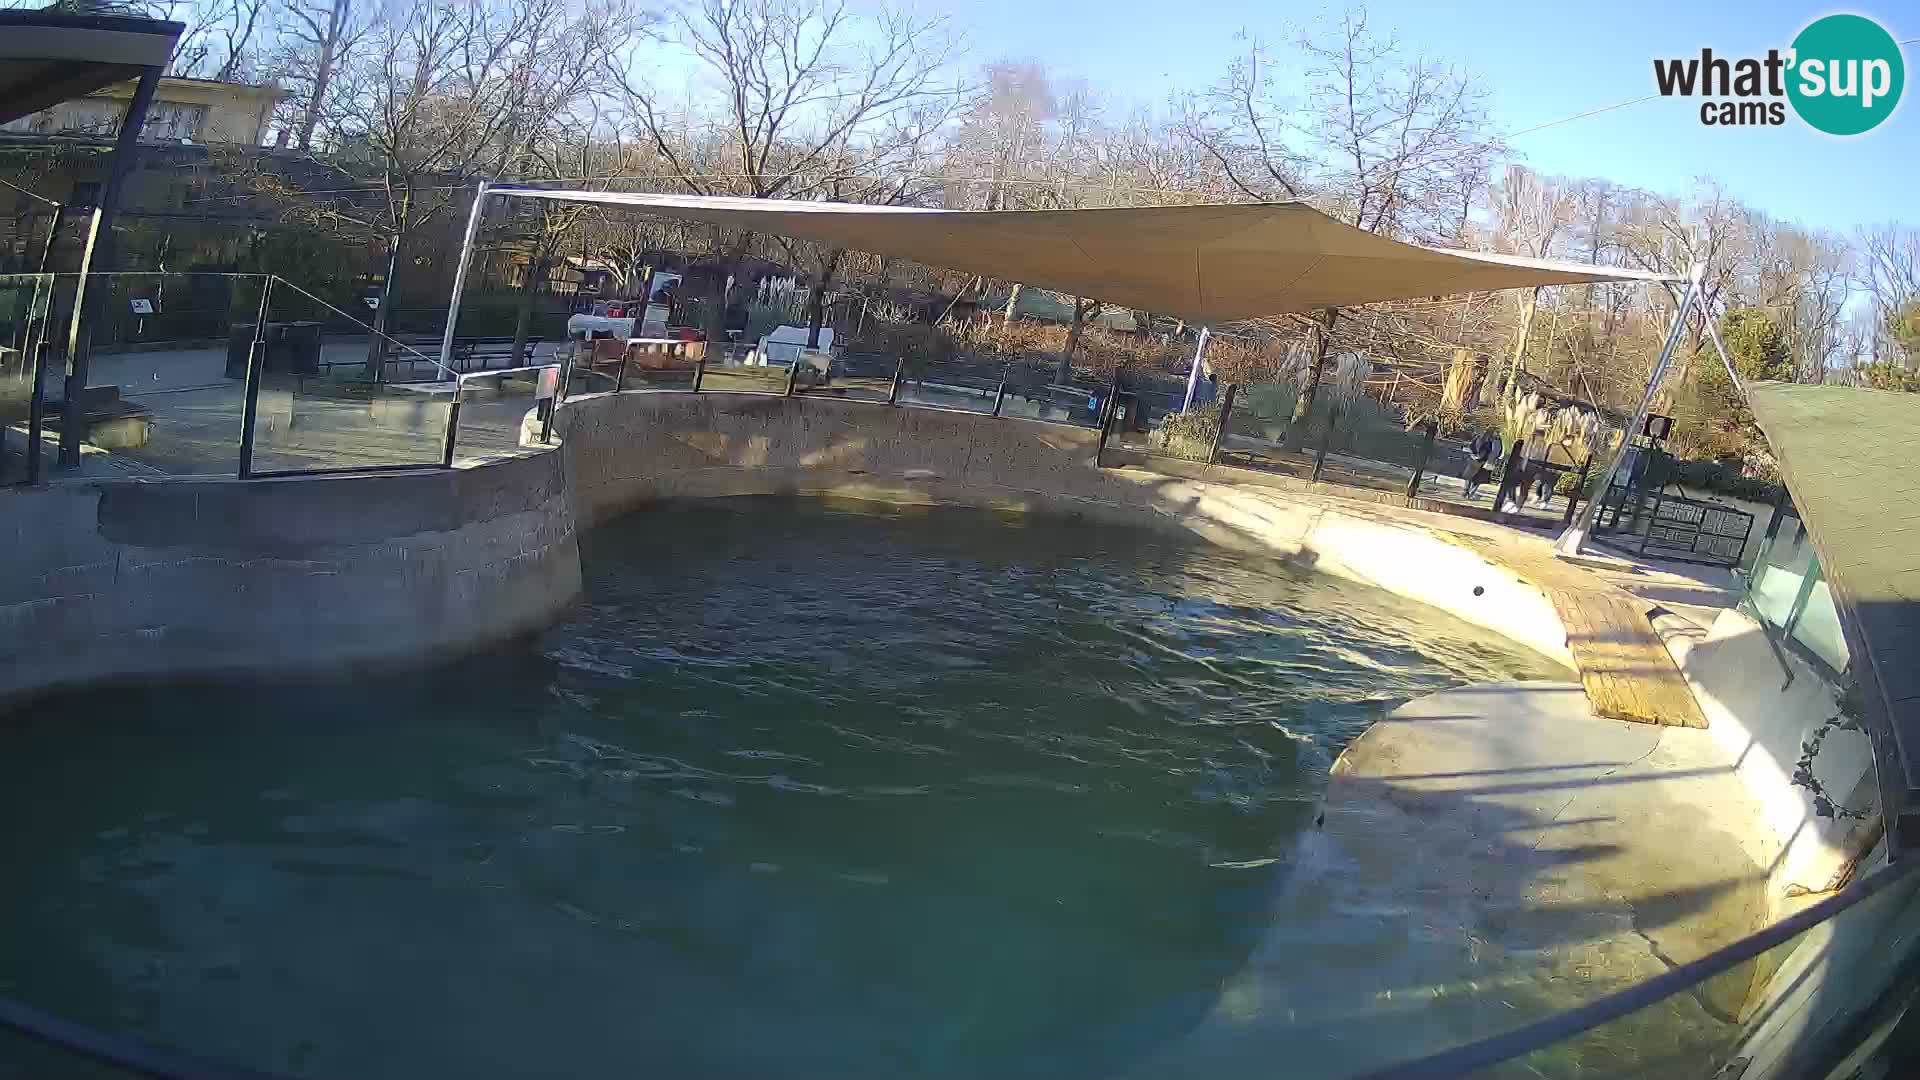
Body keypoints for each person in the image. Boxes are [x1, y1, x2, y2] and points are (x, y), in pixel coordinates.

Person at [1465, 429, 1500, 500]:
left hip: (1475, 460)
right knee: (1477, 480)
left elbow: (1471, 446)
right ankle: (1470, 494)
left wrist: (1473, 455)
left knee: (1470, 477)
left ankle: (1466, 492)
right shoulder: (1493, 442)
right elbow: (1495, 453)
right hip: (1483, 462)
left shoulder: (1479, 438)